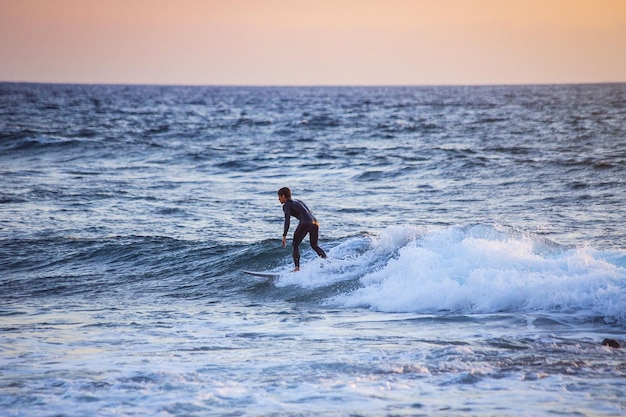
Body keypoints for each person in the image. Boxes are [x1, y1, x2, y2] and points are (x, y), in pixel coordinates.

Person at [277, 187, 327, 271]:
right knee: (314, 245)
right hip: (315, 222)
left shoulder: (287, 205)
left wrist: (284, 236)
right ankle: (327, 261)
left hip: (305, 222)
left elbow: (287, 220)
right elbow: (309, 212)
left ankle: (297, 268)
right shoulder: (298, 201)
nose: (278, 199)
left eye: (279, 196)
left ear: (283, 196)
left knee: (295, 245)